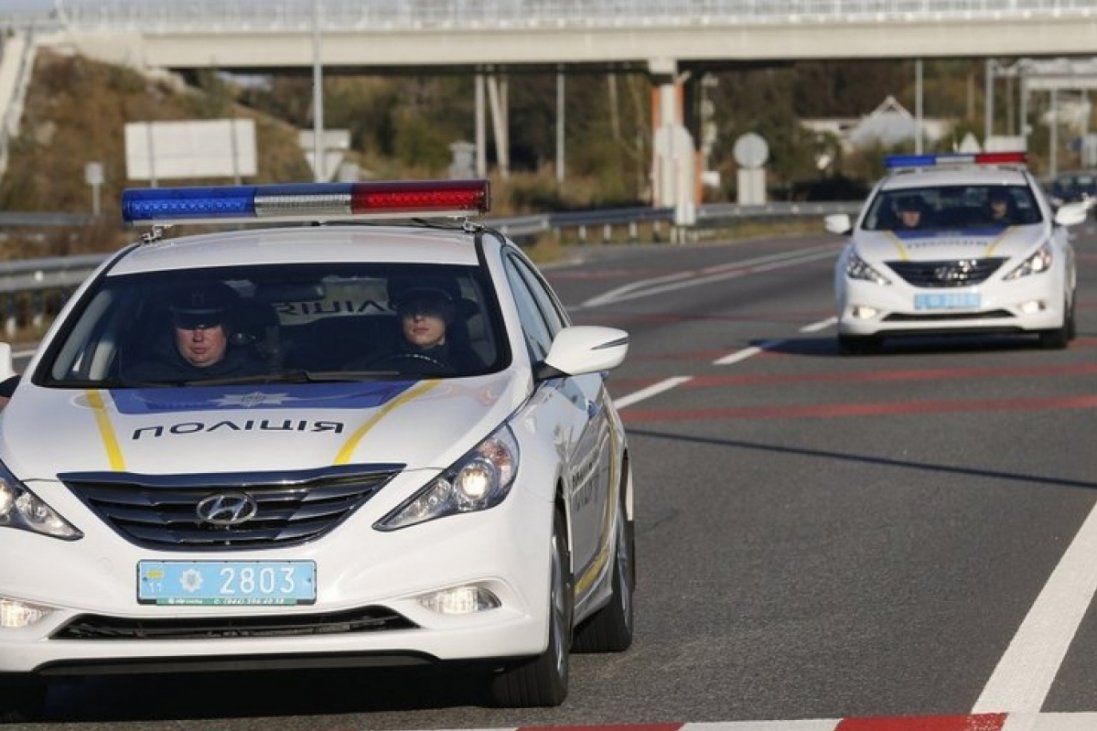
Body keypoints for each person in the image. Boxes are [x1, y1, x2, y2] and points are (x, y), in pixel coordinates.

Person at [125, 283, 260, 383]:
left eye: (208, 326)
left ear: (229, 328)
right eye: (187, 325)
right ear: (173, 329)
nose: (198, 337)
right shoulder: (139, 381)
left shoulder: (261, 376)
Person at [361, 281, 481, 375]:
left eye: (429, 308)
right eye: (409, 309)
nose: (418, 316)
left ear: (450, 314)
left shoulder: (471, 366)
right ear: (399, 316)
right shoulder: (374, 363)